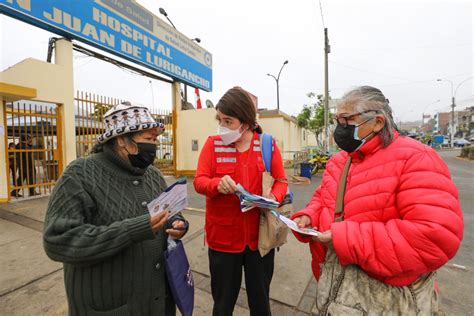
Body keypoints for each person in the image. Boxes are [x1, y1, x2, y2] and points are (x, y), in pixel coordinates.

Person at [292, 86, 463, 315]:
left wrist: (346, 238)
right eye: (337, 121)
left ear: (378, 122)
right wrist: (309, 216)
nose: (339, 128)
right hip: (332, 285)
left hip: (385, 296)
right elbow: (323, 198)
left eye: (347, 120)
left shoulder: (416, 158)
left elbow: (436, 237)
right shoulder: (340, 161)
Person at [43, 102, 189, 315]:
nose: (154, 146)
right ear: (121, 139)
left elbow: (169, 211)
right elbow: (58, 241)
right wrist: (132, 230)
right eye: (148, 139)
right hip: (111, 306)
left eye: (155, 139)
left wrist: (178, 223)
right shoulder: (80, 174)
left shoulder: (153, 175)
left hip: (157, 303)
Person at [194, 87, 288, 316]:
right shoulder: (212, 144)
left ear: (246, 123)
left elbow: (281, 181)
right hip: (223, 241)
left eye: (228, 121)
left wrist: (273, 196)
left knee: (260, 302)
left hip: (260, 240)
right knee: (223, 304)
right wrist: (217, 184)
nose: (222, 126)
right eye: (220, 120)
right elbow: (199, 181)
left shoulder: (267, 145)